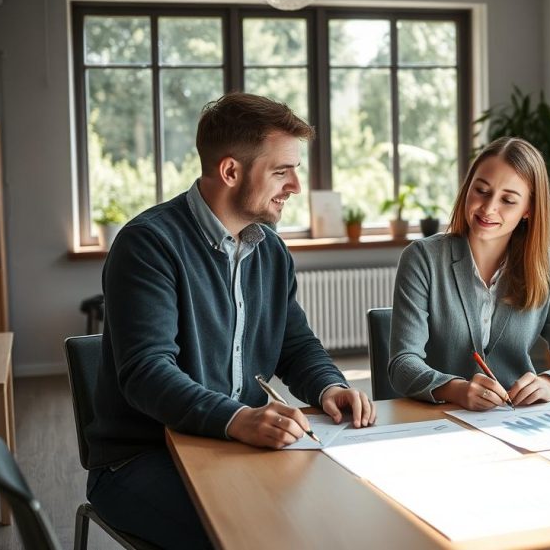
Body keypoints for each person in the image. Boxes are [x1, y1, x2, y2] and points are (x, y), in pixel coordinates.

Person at [86, 93, 376, 548]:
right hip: (142, 460)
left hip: (230, 444)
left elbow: (295, 345)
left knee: (338, 513)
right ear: (230, 171)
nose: (296, 186)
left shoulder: (270, 249)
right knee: (261, 536)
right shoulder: (148, 245)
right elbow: (147, 373)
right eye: (282, 171)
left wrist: (329, 387)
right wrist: (239, 418)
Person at [388, 137, 550, 410]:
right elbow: (402, 364)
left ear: (528, 210)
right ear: (467, 188)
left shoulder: (547, 265)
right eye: (481, 191)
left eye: (508, 200)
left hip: (518, 420)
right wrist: (458, 390)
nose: (488, 208)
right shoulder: (422, 258)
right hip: (441, 420)